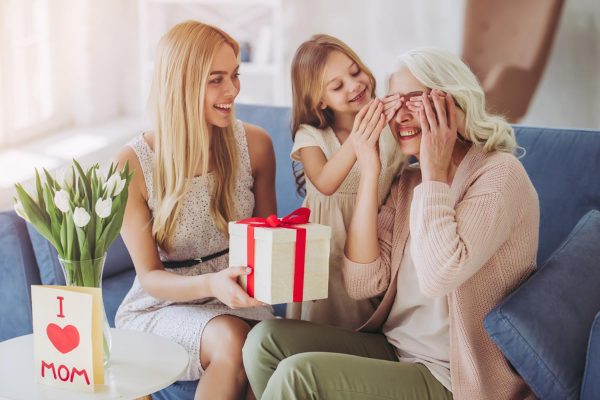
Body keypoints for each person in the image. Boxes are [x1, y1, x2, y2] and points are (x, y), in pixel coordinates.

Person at [243, 47, 539, 400]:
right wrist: (370, 172)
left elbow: (439, 274)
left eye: (416, 99)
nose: (400, 115)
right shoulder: (408, 183)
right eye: (395, 101)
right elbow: (361, 281)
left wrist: (435, 171)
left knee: (298, 376)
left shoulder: (499, 174)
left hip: (452, 374)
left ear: (455, 100)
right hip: (396, 349)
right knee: (264, 341)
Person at [114, 21, 276, 400]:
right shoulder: (133, 165)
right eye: (216, 79)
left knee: (266, 356)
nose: (232, 91)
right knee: (234, 340)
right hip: (162, 304)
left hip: (239, 300)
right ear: (182, 84)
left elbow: (268, 243)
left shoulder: (256, 145)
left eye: (235, 75)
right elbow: (151, 277)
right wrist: (210, 284)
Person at [287, 34, 404, 330]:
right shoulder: (311, 136)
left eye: (355, 72)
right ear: (319, 100)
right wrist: (362, 133)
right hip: (323, 254)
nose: (354, 86)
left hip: (372, 247)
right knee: (320, 331)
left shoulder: (390, 126)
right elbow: (326, 182)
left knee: (366, 324)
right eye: (337, 86)